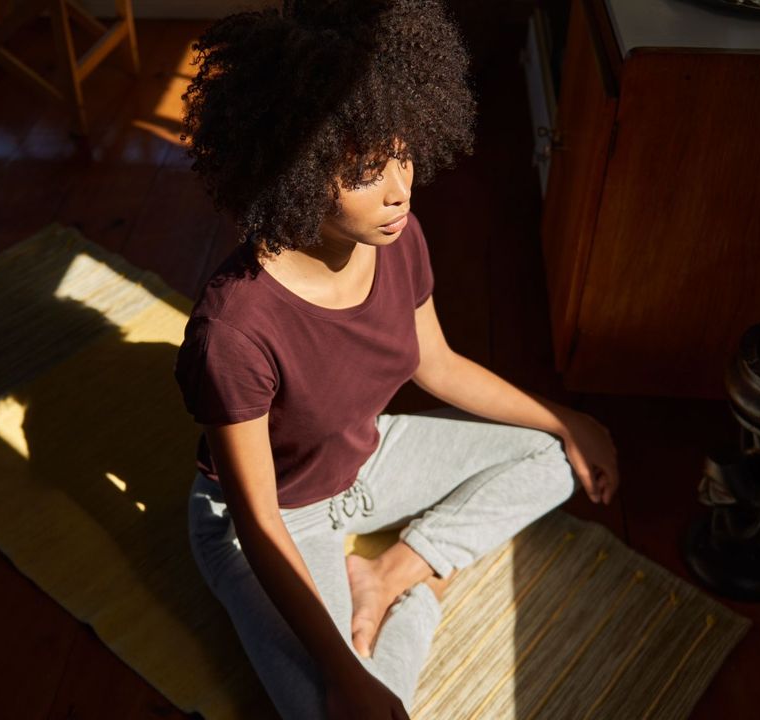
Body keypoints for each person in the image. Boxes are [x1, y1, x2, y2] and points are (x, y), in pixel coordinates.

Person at [172, 1, 620, 718]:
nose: (399, 189)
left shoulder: (396, 237)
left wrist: (566, 420)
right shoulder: (235, 329)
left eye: (403, 154)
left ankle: (394, 575)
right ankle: (422, 596)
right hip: (277, 518)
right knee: (339, 709)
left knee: (555, 461)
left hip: (367, 459)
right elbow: (257, 523)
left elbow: (434, 362)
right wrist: (349, 679)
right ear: (292, 166)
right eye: (366, 172)